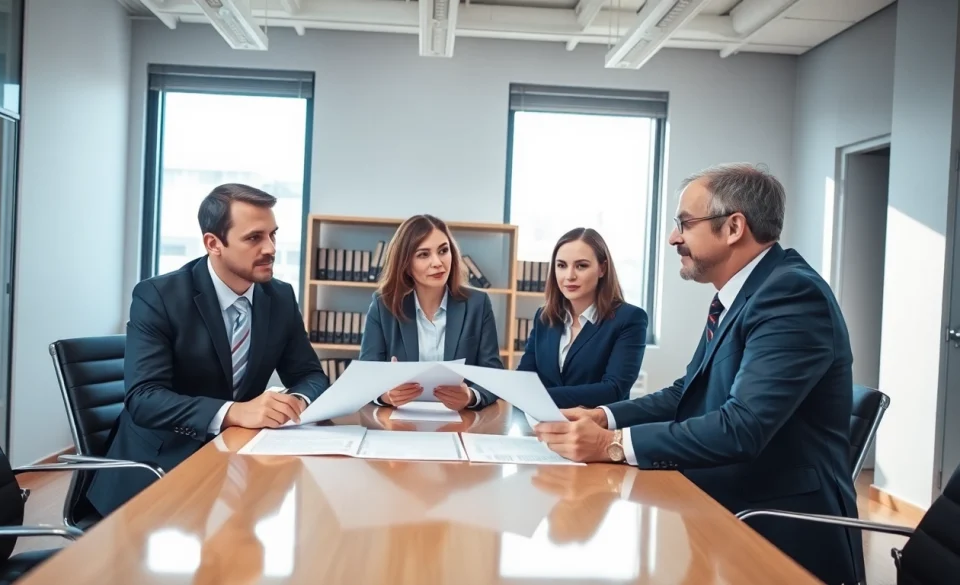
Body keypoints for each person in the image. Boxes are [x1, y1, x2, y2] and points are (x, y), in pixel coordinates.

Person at [533, 163, 864, 585]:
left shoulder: (791, 294)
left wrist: (613, 445)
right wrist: (605, 417)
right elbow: (685, 393)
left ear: (733, 227)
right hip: (725, 499)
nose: (674, 238)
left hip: (777, 526)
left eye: (685, 224)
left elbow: (742, 427)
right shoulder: (743, 295)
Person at [87, 183, 329, 517]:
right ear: (213, 243)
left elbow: (309, 374)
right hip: (157, 472)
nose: (270, 248)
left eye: (273, 235)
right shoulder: (159, 296)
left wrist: (295, 403)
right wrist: (233, 412)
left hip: (239, 461)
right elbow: (144, 398)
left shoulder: (280, 297)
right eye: (254, 238)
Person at [359, 214, 502, 410]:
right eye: (423, 254)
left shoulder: (478, 304)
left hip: (460, 423)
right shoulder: (384, 305)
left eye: (443, 250)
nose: (437, 262)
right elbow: (365, 377)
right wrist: (385, 395)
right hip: (400, 424)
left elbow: (493, 374)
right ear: (406, 265)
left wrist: (471, 396)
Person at [516, 228, 648, 409]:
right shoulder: (544, 317)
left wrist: (539, 396)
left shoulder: (630, 319)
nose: (569, 276)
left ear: (602, 268)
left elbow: (613, 389)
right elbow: (525, 377)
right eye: (561, 265)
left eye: (581, 266)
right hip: (540, 425)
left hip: (597, 430)